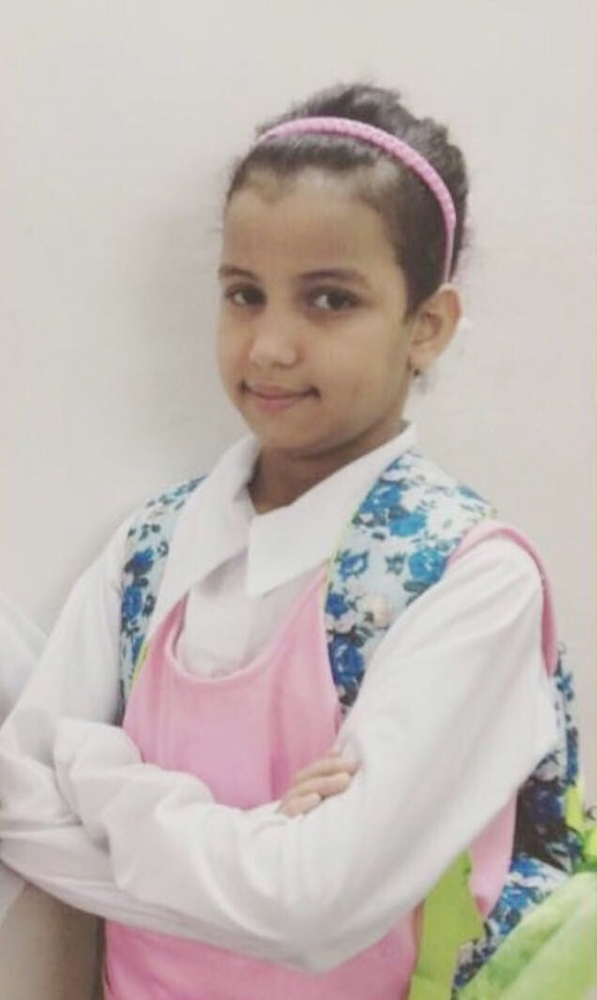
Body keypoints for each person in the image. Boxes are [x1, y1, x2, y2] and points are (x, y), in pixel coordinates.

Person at [0, 83, 563, 999]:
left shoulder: (470, 579)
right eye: (243, 294)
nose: (268, 347)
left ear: (427, 326)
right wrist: (261, 848)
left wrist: (98, 776)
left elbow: (313, 912)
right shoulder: (153, 548)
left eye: (329, 300)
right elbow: (12, 807)